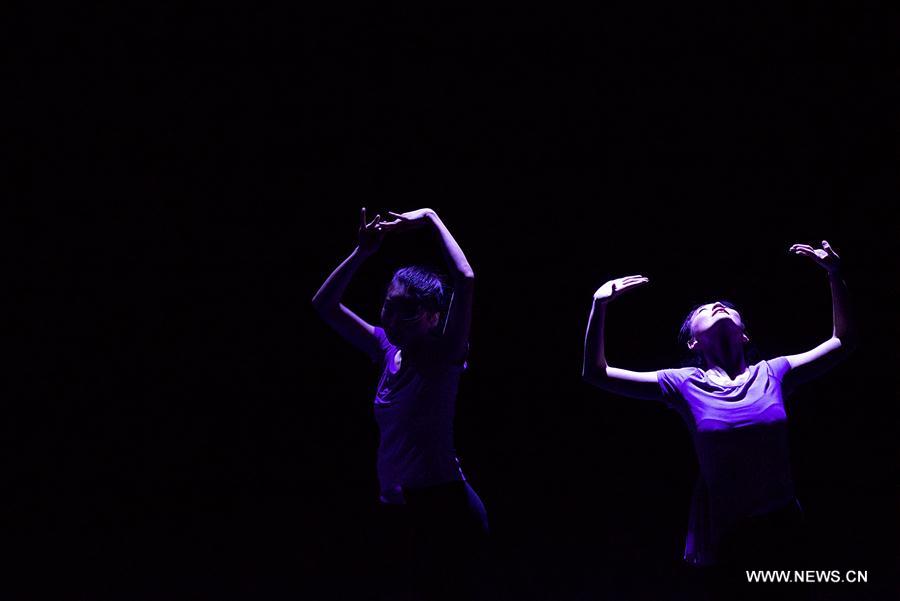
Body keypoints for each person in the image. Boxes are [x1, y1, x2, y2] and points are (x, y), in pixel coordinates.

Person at [581, 241, 855, 598]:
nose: (718, 306)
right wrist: (598, 305)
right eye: (706, 310)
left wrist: (835, 275)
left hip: (786, 523)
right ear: (693, 343)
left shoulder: (773, 373)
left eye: (726, 307)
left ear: (744, 335)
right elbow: (596, 374)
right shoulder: (683, 383)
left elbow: (843, 342)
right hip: (731, 534)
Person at [312, 208, 488, 600]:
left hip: (445, 510)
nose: (389, 314)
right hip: (398, 507)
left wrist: (429, 218)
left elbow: (466, 278)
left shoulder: (443, 355)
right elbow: (324, 305)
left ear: (430, 316)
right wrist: (362, 252)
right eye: (388, 304)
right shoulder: (386, 347)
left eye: (403, 308)